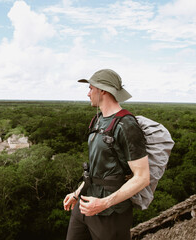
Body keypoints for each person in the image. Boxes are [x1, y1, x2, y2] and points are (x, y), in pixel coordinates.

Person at [63, 69, 150, 240]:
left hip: (111, 213)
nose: (88, 94)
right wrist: (77, 193)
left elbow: (142, 177)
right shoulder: (98, 120)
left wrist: (103, 203)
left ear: (103, 90)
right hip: (85, 204)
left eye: (91, 88)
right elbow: (97, 170)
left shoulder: (127, 125)